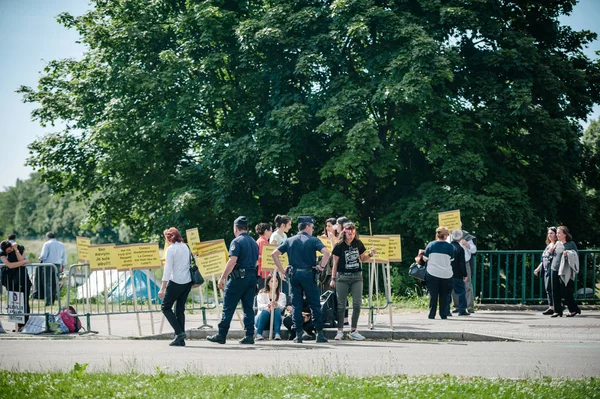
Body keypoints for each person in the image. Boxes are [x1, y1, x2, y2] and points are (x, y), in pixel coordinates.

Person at [272, 216, 331, 343]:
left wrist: (282, 270)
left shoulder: (290, 240)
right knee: (315, 304)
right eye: (312, 227)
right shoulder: (313, 240)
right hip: (309, 275)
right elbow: (327, 253)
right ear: (308, 226)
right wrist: (321, 267)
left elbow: (274, 254)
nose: (313, 229)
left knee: (296, 305)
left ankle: (298, 334)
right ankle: (319, 334)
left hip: (294, 275)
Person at [208, 216, 259, 344]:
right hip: (252, 277)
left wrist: (222, 277)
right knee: (248, 308)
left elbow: (232, 261)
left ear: (236, 228)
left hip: (238, 278)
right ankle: (249, 335)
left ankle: (222, 334)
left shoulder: (237, 241)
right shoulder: (253, 241)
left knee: (228, 307)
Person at [330, 222, 375, 340]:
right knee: (341, 305)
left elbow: (363, 259)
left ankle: (354, 330)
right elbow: (335, 263)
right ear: (344, 233)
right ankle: (340, 330)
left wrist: (370, 254)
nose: (351, 236)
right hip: (342, 278)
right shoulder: (339, 246)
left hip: (357, 277)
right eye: (349, 234)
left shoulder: (358, 244)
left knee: (357, 304)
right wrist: (333, 278)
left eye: (353, 234)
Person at [158, 227, 192, 346]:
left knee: (165, 307)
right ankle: (180, 339)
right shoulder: (186, 246)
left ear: (169, 238)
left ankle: (179, 333)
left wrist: (162, 288)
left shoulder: (170, 249)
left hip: (176, 281)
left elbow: (168, 269)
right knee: (179, 309)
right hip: (187, 282)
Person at [422, 226, 454, 319]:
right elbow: (452, 259)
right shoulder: (450, 246)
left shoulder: (431, 245)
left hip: (432, 273)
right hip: (446, 274)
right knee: (444, 295)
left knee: (433, 294)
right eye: (447, 234)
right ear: (444, 236)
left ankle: (432, 314)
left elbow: (425, 258)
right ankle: (443, 314)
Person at [549, 226, 581, 318]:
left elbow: (576, 256)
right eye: (557, 233)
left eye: (559, 233)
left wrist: (568, 254)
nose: (557, 235)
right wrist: (551, 248)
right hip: (554, 268)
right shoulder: (557, 243)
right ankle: (557, 311)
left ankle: (574, 309)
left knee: (565, 290)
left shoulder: (571, 244)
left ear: (565, 234)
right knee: (554, 290)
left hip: (564, 270)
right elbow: (552, 249)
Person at [0, 240, 32, 330]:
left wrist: (16, 250)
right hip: (11, 281)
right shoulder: (2, 253)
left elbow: (21, 258)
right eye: (7, 251)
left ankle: (24, 324)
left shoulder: (20, 248)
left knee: (25, 301)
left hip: (23, 279)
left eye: (9, 250)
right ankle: (18, 325)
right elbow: (10, 265)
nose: (8, 252)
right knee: (15, 303)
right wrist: (24, 262)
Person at [38, 231, 68, 306]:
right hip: (57, 265)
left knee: (47, 282)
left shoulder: (47, 244)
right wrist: (63, 266)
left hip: (48, 265)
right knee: (55, 282)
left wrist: (40, 258)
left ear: (47, 237)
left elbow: (43, 256)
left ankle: (48, 301)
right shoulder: (61, 244)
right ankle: (53, 300)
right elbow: (64, 257)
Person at [452, 229, 477, 314]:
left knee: (467, 285)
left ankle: (469, 307)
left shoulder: (467, 237)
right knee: (454, 286)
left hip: (465, 263)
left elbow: (474, 250)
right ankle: (457, 306)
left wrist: (467, 245)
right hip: (453, 264)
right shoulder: (448, 236)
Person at [255, 273, 286, 340]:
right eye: (272, 281)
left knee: (276, 309)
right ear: (268, 283)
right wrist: (268, 306)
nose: (274, 283)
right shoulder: (262, 293)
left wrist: (276, 304)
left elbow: (282, 307)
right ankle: (258, 333)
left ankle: (277, 333)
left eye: (276, 281)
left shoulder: (282, 295)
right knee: (266, 311)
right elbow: (260, 306)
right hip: (261, 319)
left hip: (275, 321)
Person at [534, 227, 557, 315]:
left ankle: (554, 306)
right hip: (546, 268)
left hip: (552, 268)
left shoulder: (557, 244)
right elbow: (544, 259)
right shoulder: (549, 245)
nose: (549, 235)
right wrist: (538, 269)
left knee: (551, 288)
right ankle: (552, 306)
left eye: (551, 233)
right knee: (548, 288)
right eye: (548, 233)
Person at [446, 229, 469, 316]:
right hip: (457, 273)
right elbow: (462, 263)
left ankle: (446, 310)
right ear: (461, 237)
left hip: (447, 273)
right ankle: (462, 310)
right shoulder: (460, 249)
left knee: (447, 292)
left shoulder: (448, 247)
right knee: (461, 291)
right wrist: (465, 274)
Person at [318, 217, 337, 292]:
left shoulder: (338, 238)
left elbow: (335, 252)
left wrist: (332, 239)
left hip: (333, 266)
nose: (327, 228)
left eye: (329, 226)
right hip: (324, 266)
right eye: (326, 226)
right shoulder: (323, 237)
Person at [255, 222, 273, 290]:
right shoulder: (263, 242)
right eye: (271, 230)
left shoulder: (260, 241)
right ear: (266, 231)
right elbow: (265, 257)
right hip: (264, 272)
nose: (271, 232)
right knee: (264, 292)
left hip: (262, 271)